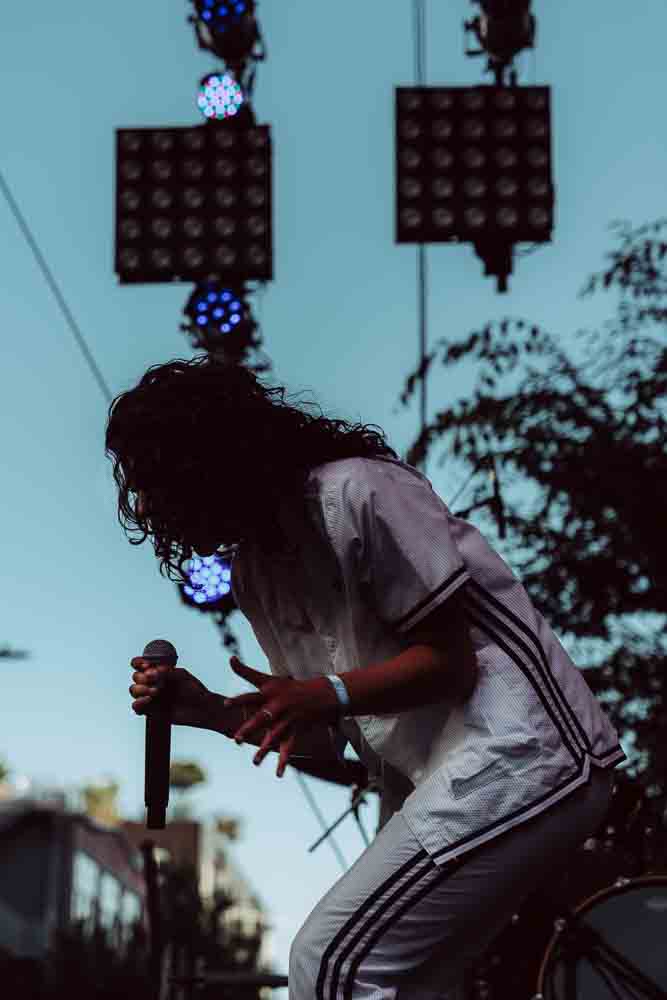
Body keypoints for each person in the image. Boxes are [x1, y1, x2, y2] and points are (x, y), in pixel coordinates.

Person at [107, 355, 625, 1000]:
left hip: (527, 755)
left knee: (330, 965)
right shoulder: (255, 577)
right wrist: (208, 707)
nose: (152, 506)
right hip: (453, 780)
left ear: (209, 459)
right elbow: (325, 737)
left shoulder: (359, 492)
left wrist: (323, 694)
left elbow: (451, 663)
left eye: (157, 480)